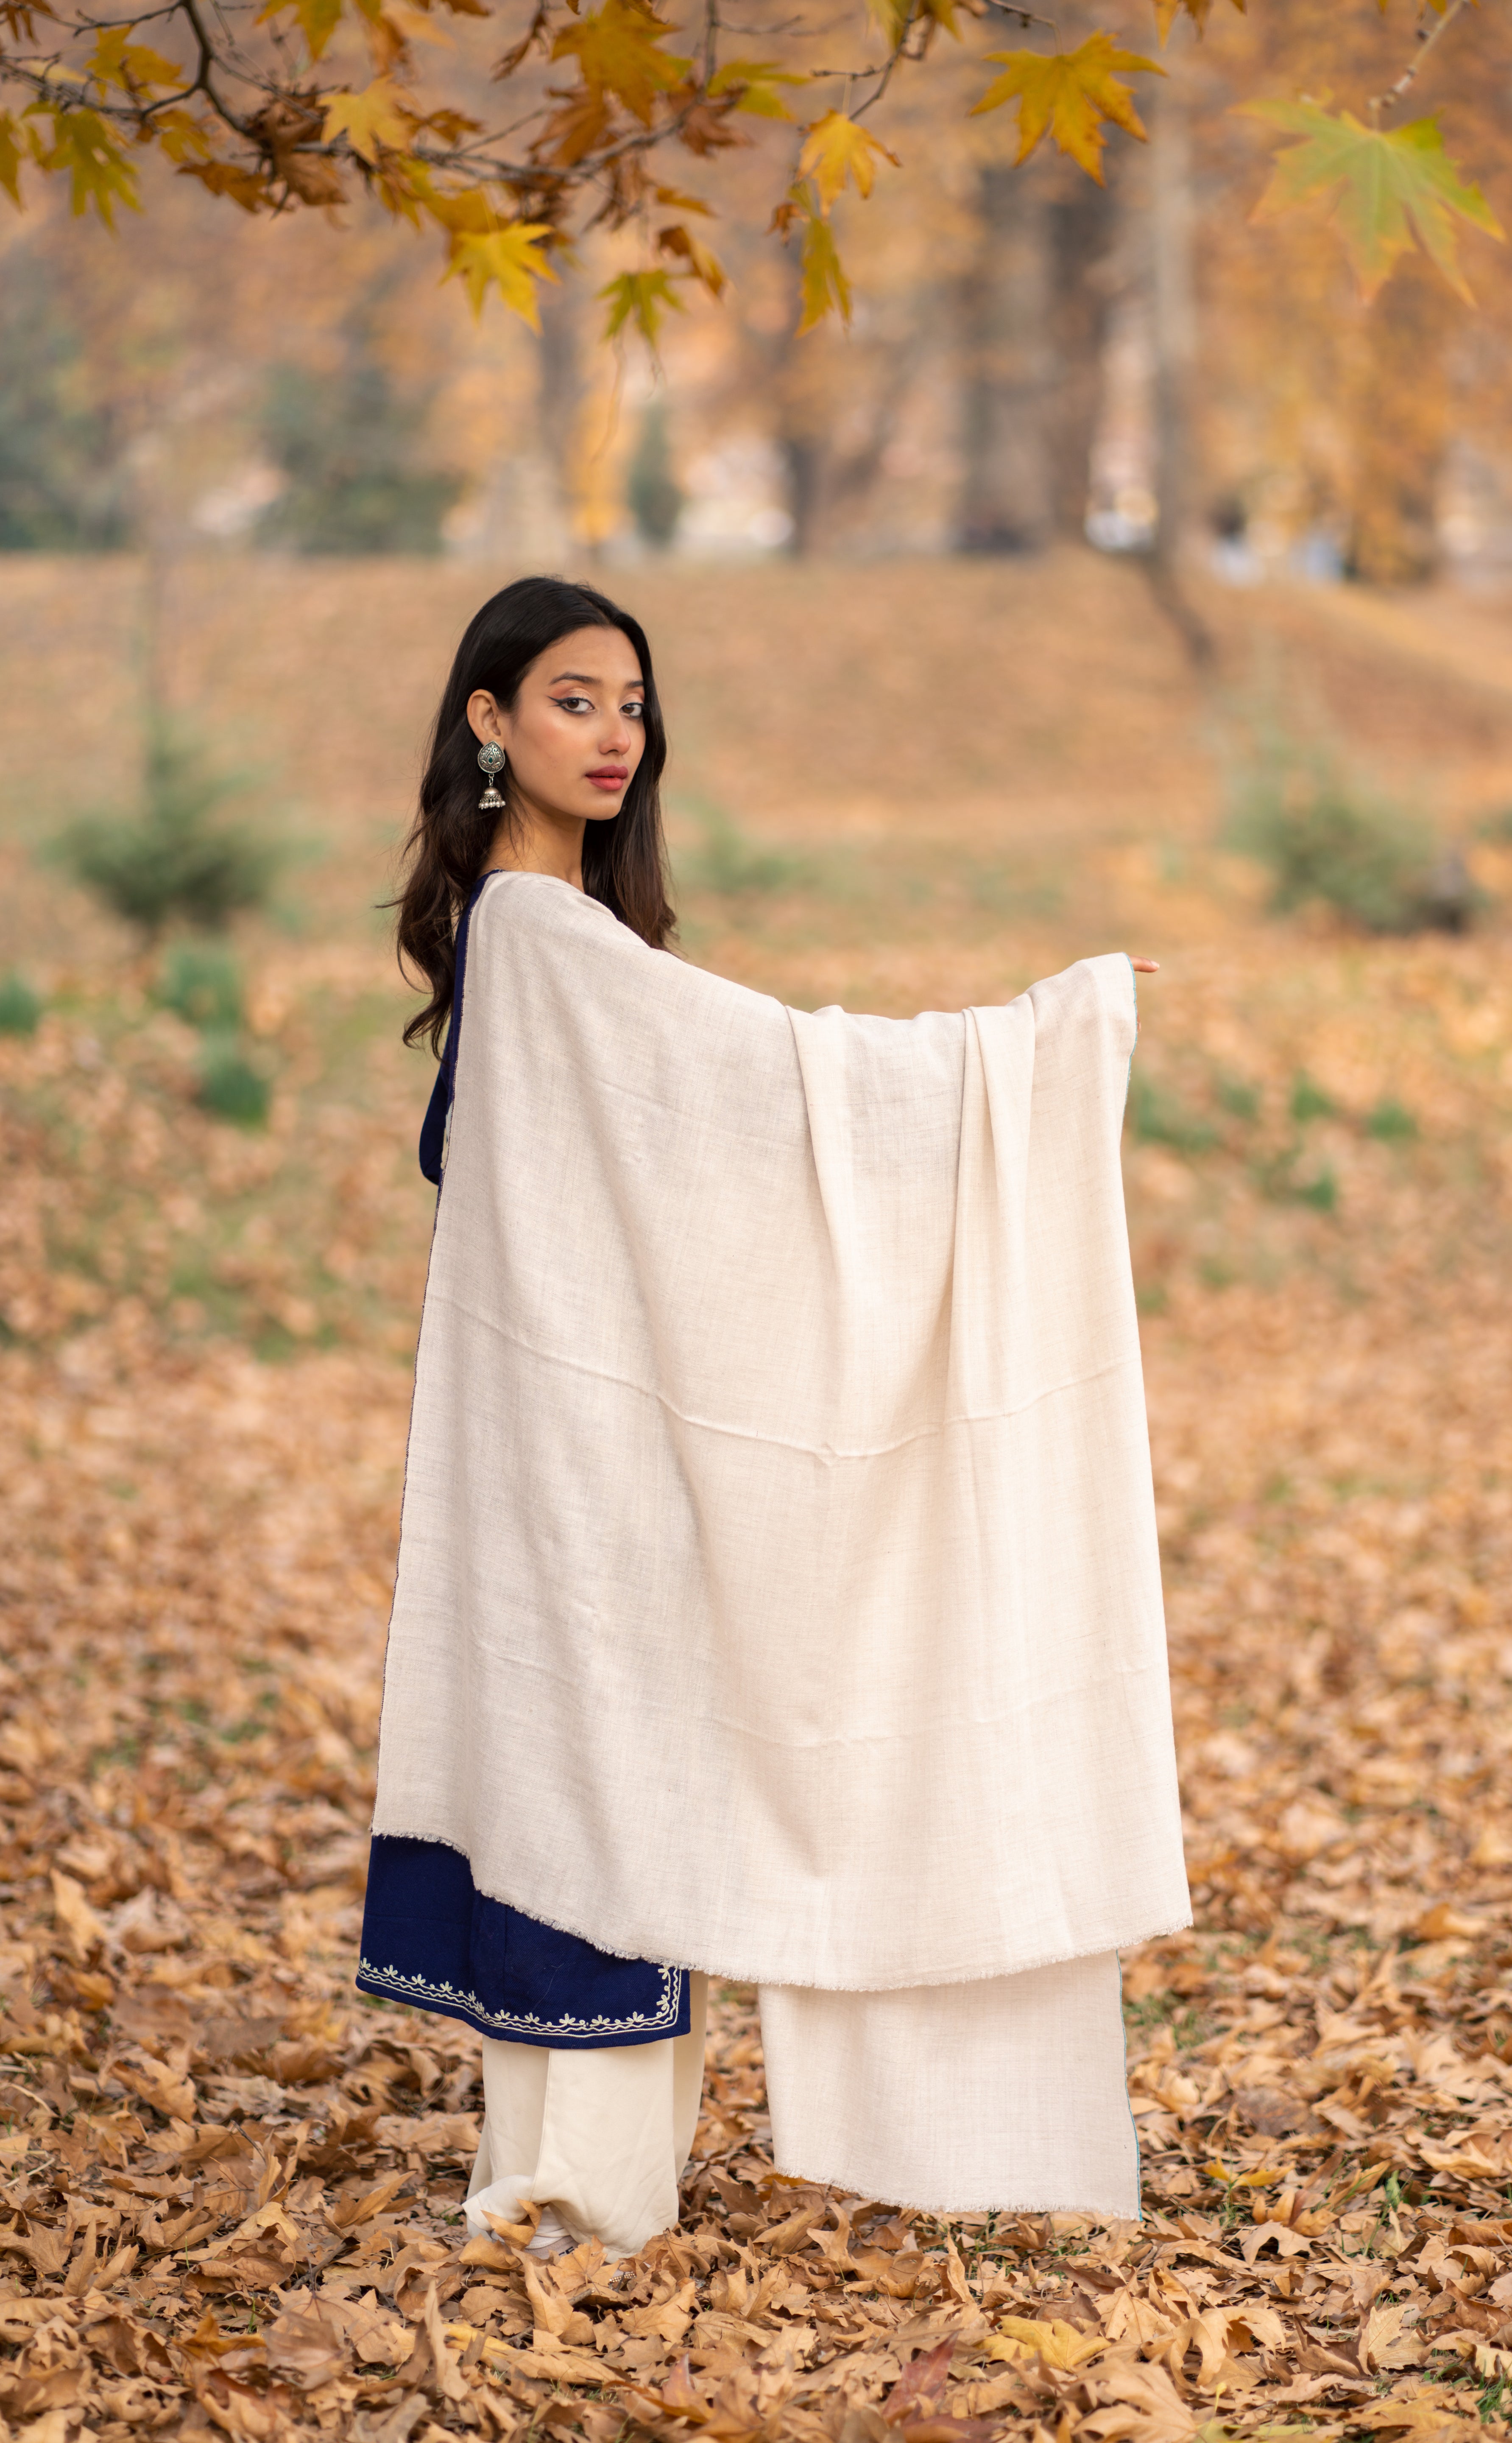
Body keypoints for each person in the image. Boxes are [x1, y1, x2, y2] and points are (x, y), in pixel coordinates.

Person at [360, 575, 1187, 2264]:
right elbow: (779, 1080)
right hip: (565, 1450)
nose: (612, 735)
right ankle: (577, 2190)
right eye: (574, 698)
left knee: (586, 1768)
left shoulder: (558, 942)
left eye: (634, 706)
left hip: (590, 1440)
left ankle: (579, 2178)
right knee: (581, 1769)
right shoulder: (535, 936)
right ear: (488, 720)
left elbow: (736, 1117)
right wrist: (1047, 1036)